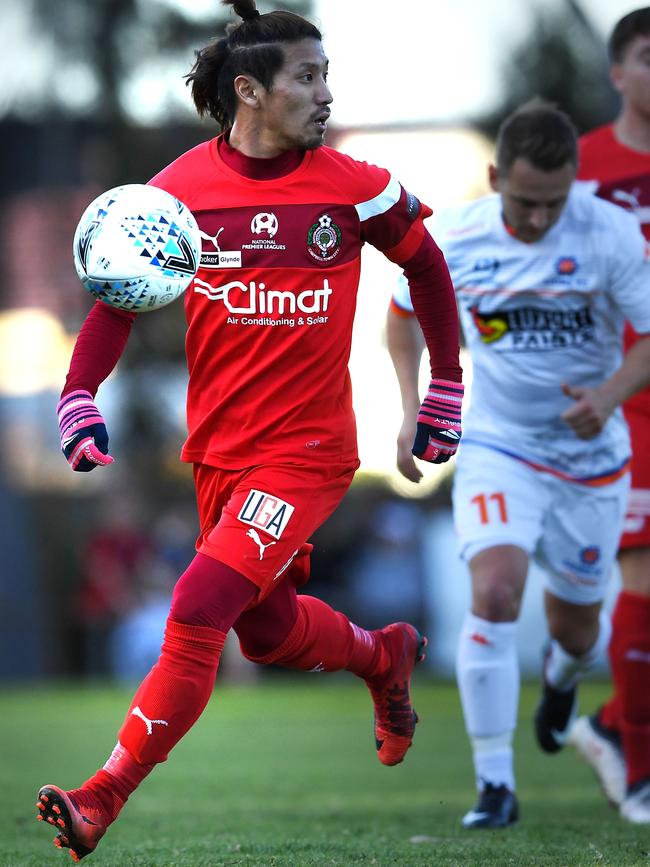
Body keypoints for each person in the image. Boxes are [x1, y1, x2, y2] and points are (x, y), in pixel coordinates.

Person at [35, 1, 464, 860]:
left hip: (308, 456)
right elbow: (120, 295)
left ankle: (101, 795)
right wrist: (79, 392)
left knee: (196, 606)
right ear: (250, 91)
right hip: (218, 455)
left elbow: (425, 262)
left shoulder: (356, 185)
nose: (324, 92)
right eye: (307, 77)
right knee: (263, 632)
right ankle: (383, 657)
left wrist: (444, 386)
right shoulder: (177, 192)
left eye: (325, 74)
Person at [386, 101, 650, 829]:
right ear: (496, 176)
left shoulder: (609, 231)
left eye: (555, 203)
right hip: (501, 445)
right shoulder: (452, 238)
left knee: (575, 629)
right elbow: (401, 318)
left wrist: (609, 395)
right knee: (496, 593)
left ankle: (565, 680)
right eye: (526, 202)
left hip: (593, 457)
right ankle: (495, 785)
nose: (539, 219)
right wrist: (411, 408)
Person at [566, 7, 650, 825]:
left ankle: (611, 724)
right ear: (619, 72)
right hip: (626, 401)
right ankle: (639, 761)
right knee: (641, 573)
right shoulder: (583, 167)